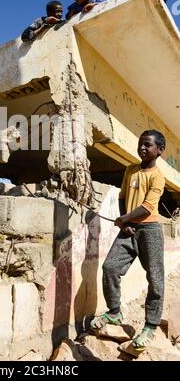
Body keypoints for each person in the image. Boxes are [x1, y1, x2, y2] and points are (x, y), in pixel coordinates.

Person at [90, 130, 166, 350]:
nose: (143, 148)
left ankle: (150, 326)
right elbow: (123, 197)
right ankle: (114, 312)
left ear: (159, 150)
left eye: (148, 145)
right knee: (110, 267)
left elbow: (147, 207)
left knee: (155, 278)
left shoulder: (157, 176)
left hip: (149, 230)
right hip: (129, 228)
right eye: (141, 144)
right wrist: (126, 223)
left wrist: (124, 219)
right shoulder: (130, 170)